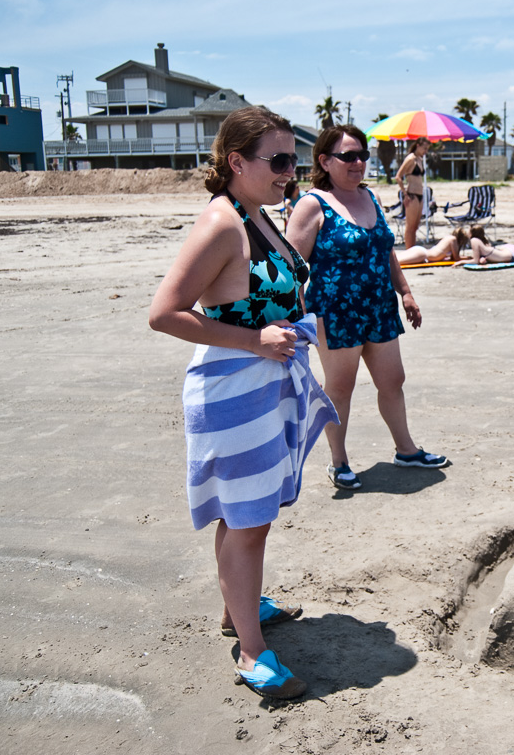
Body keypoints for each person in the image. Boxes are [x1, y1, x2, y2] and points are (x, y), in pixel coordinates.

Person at [148, 106, 338, 700]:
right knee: (250, 522)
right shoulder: (221, 225)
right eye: (278, 161)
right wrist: (256, 339)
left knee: (241, 514)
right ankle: (252, 651)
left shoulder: (257, 215)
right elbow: (165, 314)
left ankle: (240, 609)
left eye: (294, 160)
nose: (290, 172)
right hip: (233, 389)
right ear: (237, 162)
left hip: (263, 386)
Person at [287, 125, 449, 491]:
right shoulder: (312, 204)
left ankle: (406, 450)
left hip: (379, 307)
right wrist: (298, 320)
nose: (358, 162)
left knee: (393, 380)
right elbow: (291, 268)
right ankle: (339, 462)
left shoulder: (369, 196)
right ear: (325, 161)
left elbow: (385, 250)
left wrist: (405, 292)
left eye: (363, 155)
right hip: (336, 312)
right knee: (340, 388)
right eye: (349, 156)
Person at [394, 138, 430, 248]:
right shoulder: (410, 158)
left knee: (415, 227)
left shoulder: (419, 159)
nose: (426, 151)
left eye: (427, 149)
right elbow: (398, 177)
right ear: (418, 145)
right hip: (412, 194)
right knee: (410, 227)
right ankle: (409, 251)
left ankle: (413, 250)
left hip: (420, 194)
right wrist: (405, 194)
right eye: (424, 148)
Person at [395, 227, 469, 266]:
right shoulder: (453, 240)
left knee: (394, 259)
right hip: (423, 255)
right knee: (396, 262)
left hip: (421, 251)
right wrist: (468, 258)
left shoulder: (448, 238)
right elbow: (456, 258)